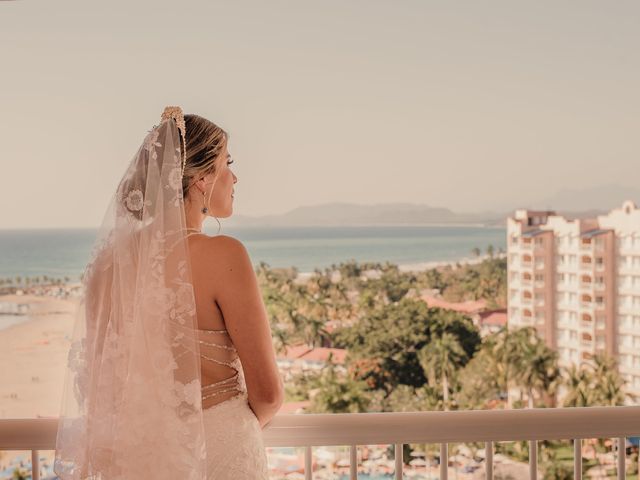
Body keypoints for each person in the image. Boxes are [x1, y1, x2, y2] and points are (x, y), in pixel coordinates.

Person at [54, 106, 284, 479]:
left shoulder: (107, 265)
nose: (235, 178)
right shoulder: (224, 254)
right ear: (202, 180)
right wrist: (226, 430)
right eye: (228, 164)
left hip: (134, 458)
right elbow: (269, 394)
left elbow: (99, 384)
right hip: (218, 451)